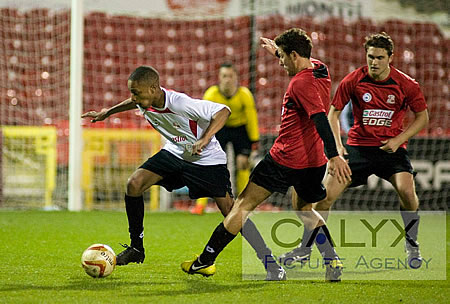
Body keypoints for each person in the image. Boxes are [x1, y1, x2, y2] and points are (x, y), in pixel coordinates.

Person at [81, 65, 285, 280]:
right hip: (175, 154)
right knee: (134, 184)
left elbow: (224, 111)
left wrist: (204, 140)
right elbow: (132, 102)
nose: (133, 98)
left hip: (207, 161)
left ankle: (270, 262)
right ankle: (136, 249)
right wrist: (107, 113)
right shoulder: (145, 101)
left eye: (136, 93)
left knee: (232, 212)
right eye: (132, 92)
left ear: (153, 88)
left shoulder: (180, 103)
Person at [181, 28, 352, 282]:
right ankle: (332, 259)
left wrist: (335, 154)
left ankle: (205, 260)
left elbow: (320, 118)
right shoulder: (321, 70)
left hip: (284, 159)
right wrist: (277, 52)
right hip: (313, 161)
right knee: (305, 208)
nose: (281, 63)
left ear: (294, 55)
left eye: (283, 57)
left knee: (242, 205)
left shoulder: (300, 83)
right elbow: (305, 72)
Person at [279, 32, 428, 269]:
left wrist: (399, 139)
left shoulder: (407, 84)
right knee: (324, 200)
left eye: (379, 57)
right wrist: (338, 146)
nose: (374, 62)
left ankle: (412, 244)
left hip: (391, 151)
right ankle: (304, 250)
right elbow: (333, 113)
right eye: (370, 57)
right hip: (358, 148)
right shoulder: (354, 80)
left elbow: (423, 117)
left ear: (391, 57)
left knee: (407, 192)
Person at [191, 62, 259, 215]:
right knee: (211, 165)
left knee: (243, 164)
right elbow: (202, 119)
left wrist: (254, 141)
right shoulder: (211, 94)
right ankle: (200, 205)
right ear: (219, 78)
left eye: (230, 76)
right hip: (218, 129)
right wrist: (201, 138)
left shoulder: (245, 95)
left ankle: (244, 204)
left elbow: (252, 119)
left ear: (236, 78)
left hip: (240, 130)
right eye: (224, 76)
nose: (227, 79)